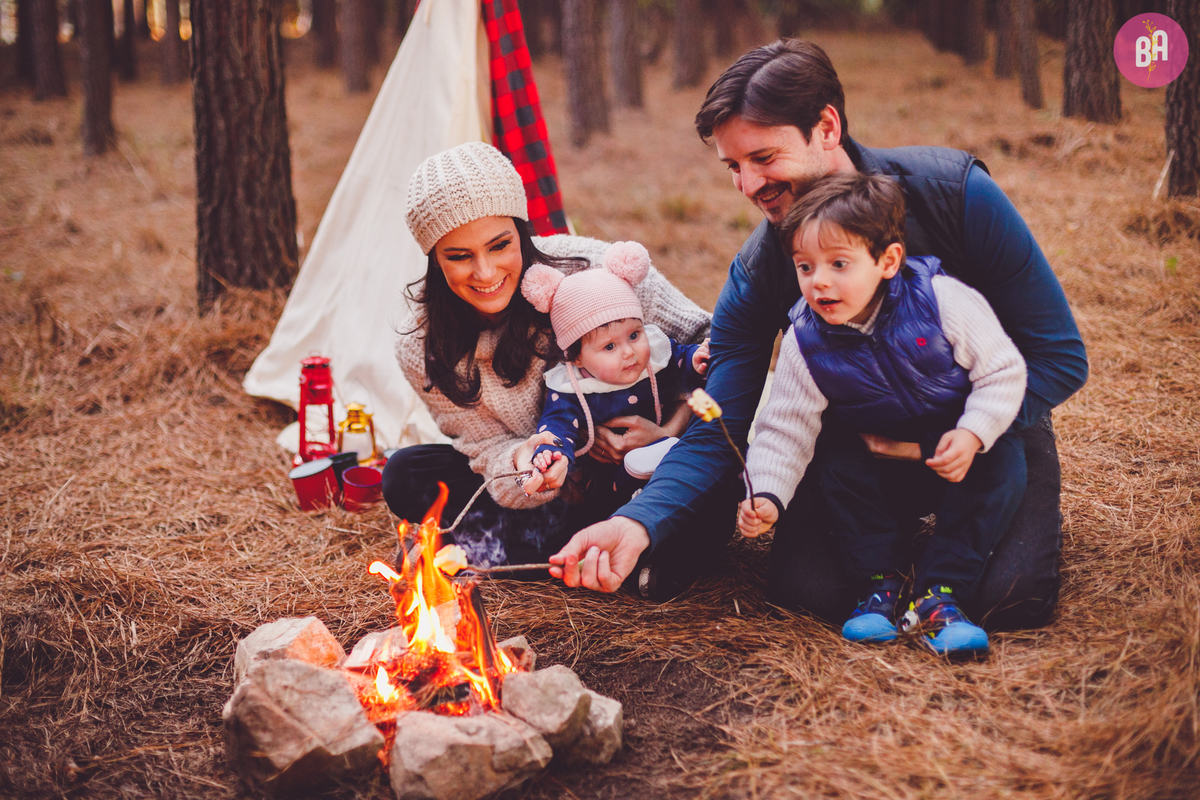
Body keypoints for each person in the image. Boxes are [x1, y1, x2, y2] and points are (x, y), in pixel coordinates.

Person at [551, 39, 1087, 632]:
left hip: (992, 433)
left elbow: (1058, 357)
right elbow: (720, 424)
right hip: (860, 454)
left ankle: (971, 544)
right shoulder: (759, 270)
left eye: (763, 157)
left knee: (1011, 599)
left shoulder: (955, 194)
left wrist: (965, 434)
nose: (748, 185)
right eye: (733, 166)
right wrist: (639, 522)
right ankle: (889, 557)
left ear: (826, 127)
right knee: (807, 593)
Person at [382, 141, 711, 575]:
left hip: (653, 467)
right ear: (433, 258)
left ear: (521, 231)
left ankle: (585, 547)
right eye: (459, 257)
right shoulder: (422, 345)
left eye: (499, 246)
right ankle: (594, 553)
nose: (484, 273)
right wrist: (526, 463)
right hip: (555, 494)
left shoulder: (589, 270)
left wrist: (667, 429)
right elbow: (484, 447)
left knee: (708, 486)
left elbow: (711, 340)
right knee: (406, 473)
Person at [737, 173, 1026, 657]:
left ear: (888, 260)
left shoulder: (942, 301)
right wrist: (767, 493)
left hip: (953, 451)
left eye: (839, 264)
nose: (819, 281)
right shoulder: (805, 341)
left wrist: (974, 434)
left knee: (1003, 467)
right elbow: (785, 427)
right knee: (837, 466)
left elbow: (1002, 370)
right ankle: (880, 584)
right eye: (805, 267)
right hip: (879, 461)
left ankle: (940, 595)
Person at [518, 239, 710, 499]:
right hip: (608, 482)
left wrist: (694, 361)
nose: (629, 352)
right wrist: (550, 453)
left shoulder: (653, 359)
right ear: (577, 359)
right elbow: (557, 425)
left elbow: (679, 361)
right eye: (609, 347)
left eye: (634, 335)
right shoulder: (570, 389)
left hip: (665, 450)